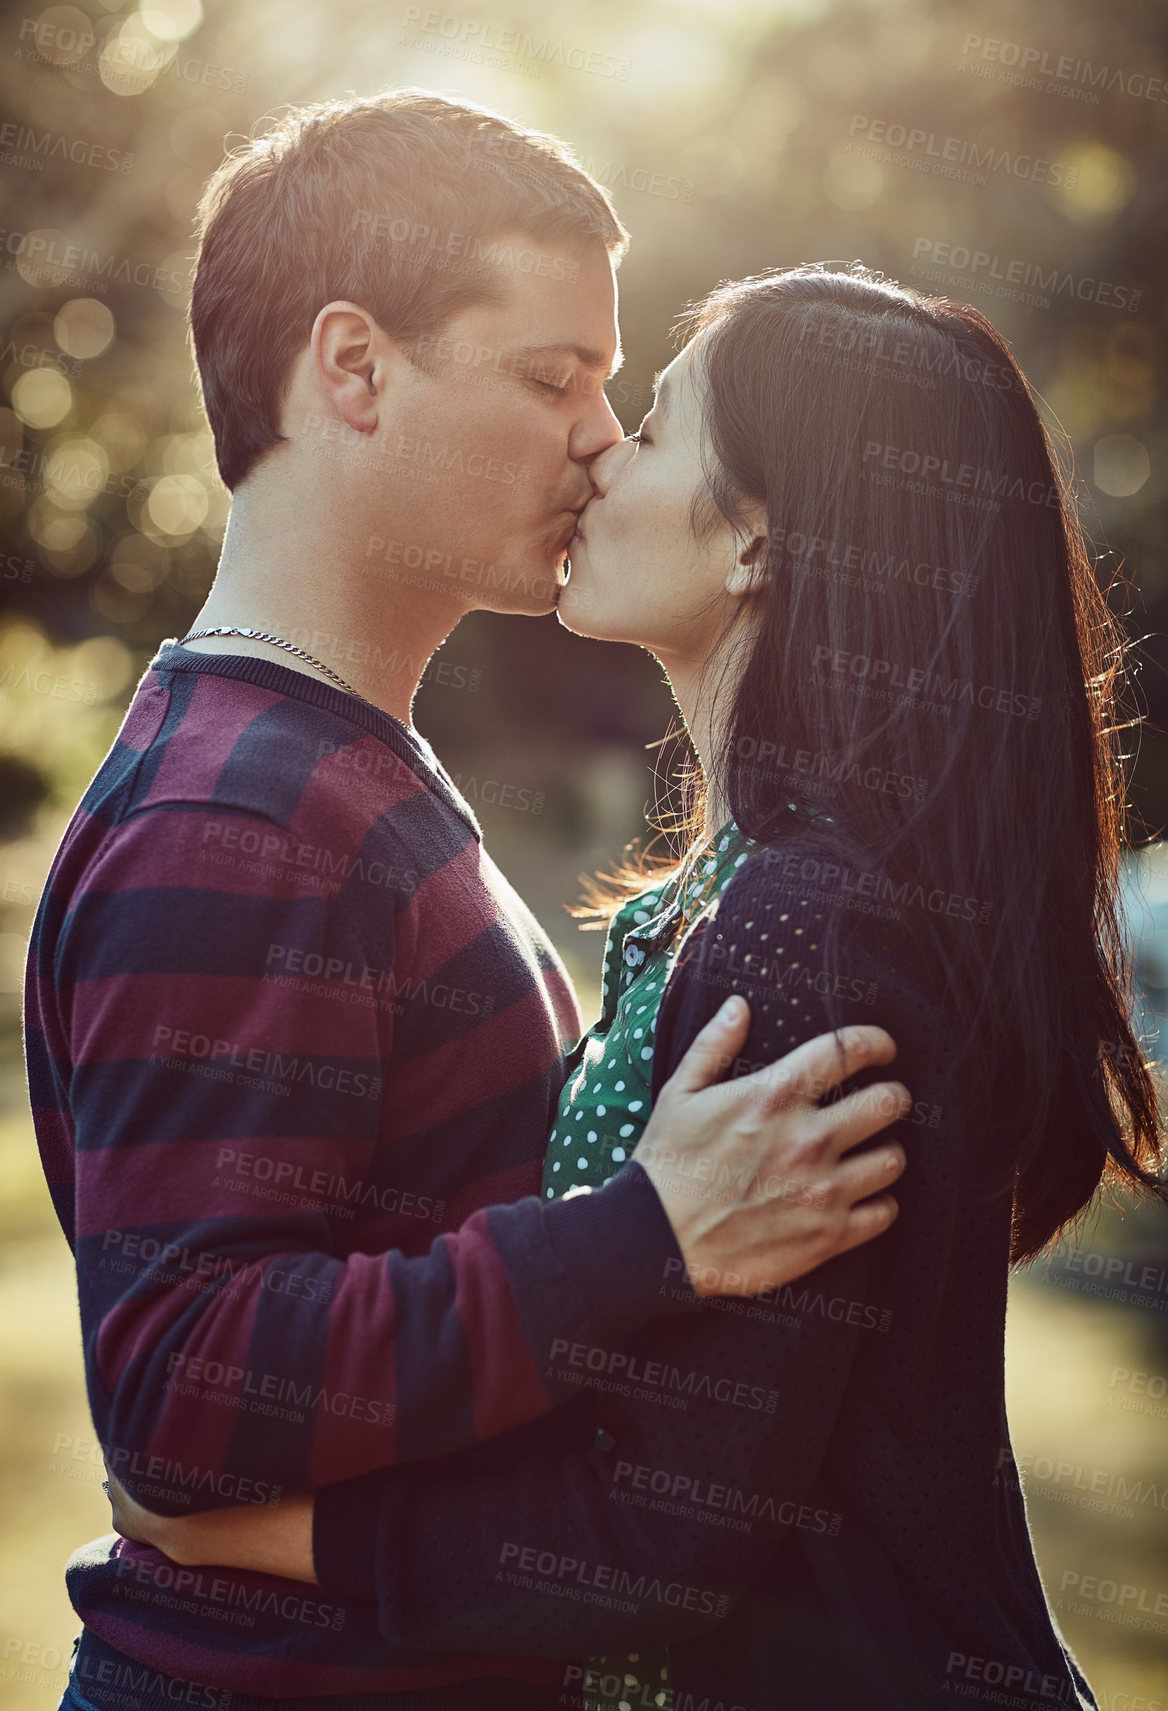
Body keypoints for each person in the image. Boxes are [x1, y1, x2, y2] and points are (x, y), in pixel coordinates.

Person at [111, 264, 1166, 1711]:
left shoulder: (812, 935)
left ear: (759, 542)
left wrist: (254, 1534)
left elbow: (665, 1534)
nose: (601, 447)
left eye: (655, 424)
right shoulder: (740, 896)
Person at [26, 97, 910, 1711]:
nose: (598, 433)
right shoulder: (240, 811)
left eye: (606, 382)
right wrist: (639, 1240)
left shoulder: (338, 767)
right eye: (549, 375)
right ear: (351, 367)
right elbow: (179, 1380)